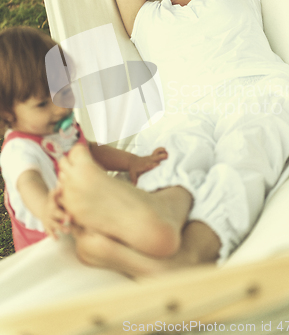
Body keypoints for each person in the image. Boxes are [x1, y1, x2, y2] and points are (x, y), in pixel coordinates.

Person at [58, 0, 289, 276]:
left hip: (258, 95)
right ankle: (159, 218)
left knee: (244, 154)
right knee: (172, 152)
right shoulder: (144, 16)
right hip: (182, 110)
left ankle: (190, 254)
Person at [0, 26, 167, 252]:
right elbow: (28, 181)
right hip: (47, 243)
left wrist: (131, 162)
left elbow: (89, 150)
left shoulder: (56, 127)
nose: (59, 108)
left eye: (64, 92)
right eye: (42, 104)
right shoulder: (18, 150)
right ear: (8, 113)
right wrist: (45, 208)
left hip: (83, 218)